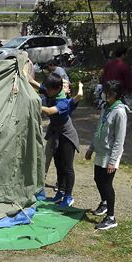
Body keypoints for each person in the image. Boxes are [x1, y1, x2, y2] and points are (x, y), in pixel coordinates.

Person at [85, 80, 128, 230]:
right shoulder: (106, 107)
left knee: (106, 184)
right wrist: (91, 148)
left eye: (107, 92)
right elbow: (98, 129)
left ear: (115, 95)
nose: (104, 94)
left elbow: (119, 139)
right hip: (100, 151)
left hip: (110, 154)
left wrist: (113, 160)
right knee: (98, 178)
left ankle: (111, 217)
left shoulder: (120, 112)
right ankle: (104, 203)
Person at [40, 73, 80, 208]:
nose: (47, 91)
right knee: (58, 165)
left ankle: (68, 196)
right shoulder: (52, 92)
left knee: (67, 167)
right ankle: (60, 192)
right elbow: (38, 86)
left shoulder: (63, 101)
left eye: (49, 89)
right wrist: (27, 78)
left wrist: (34, 104)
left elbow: (50, 111)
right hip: (57, 135)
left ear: (57, 89)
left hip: (67, 137)